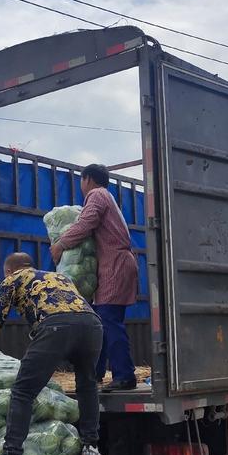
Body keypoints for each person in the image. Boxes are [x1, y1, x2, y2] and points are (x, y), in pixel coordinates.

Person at [0, 252, 104, 455]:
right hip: (92, 325)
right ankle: (91, 448)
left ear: (8, 271)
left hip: (56, 327)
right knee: (87, 385)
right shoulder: (61, 278)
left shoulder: (12, 280)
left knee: (23, 391)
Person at [50, 164, 138, 392]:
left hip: (115, 265)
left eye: (81, 180)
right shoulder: (107, 197)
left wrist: (60, 244)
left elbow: (85, 223)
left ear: (87, 179)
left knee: (108, 320)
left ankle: (125, 376)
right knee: (101, 322)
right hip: (115, 264)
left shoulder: (97, 194)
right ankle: (95, 375)